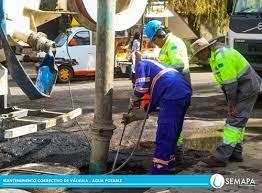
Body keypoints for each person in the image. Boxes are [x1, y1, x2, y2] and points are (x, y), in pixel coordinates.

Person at [191, 37, 261, 167]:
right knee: (238, 121)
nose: (198, 58)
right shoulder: (214, 56)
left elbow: (230, 83)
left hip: (246, 88)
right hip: (245, 87)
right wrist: (230, 102)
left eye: (198, 54)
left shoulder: (221, 56)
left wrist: (231, 104)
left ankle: (221, 156)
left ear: (204, 50)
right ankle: (236, 153)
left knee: (234, 121)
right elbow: (225, 84)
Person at [122, 52, 192, 174]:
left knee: (165, 132)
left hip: (172, 94)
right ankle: (169, 160)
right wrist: (134, 116)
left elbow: (140, 89)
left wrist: (133, 99)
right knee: (174, 130)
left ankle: (160, 169)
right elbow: (151, 105)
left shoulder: (142, 64)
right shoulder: (158, 69)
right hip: (183, 91)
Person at [145, 20, 190, 162]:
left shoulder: (173, 43)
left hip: (176, 91)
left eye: (154, 40)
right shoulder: (165, 46)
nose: (154, 43)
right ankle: (173, 152)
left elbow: (179, 65)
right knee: (172, 122)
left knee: (171, 123)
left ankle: (174, 152)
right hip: (171, 91)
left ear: (160, 33)